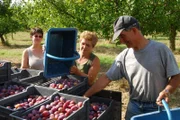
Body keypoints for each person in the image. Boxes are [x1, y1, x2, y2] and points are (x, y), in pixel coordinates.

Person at [84, 15, 180, 120]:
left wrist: (166, 91)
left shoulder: (161, 50)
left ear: (134, 30)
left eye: (122, 36)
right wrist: (85, 96)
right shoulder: (124, 56)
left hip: (156, 107)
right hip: (134, 107)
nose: (121, 41)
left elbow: (176, 76)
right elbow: (106, 78)